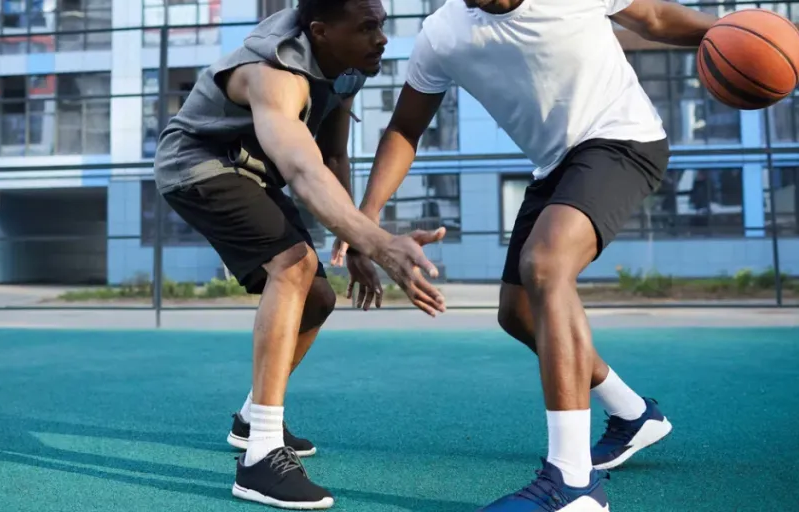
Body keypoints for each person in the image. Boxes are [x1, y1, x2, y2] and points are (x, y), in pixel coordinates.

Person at [332, 0, 717, 509]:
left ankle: (573, 483)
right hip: (554, 165)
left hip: (623, 140)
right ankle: (632, 414)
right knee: (517, 315)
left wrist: (733, 32)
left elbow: (655, 19)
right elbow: (405, 127)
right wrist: (367, 220)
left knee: (546, 264)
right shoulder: (443, 33)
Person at [152, 0, 448, 508]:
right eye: (367, 27)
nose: (381, 38)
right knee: (295, 264)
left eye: (381, 25)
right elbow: (304, 172)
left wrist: (355, 238)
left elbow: (332, 156)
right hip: (199, 165)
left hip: (253, 171)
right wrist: (381, 246)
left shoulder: (345, 69)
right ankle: (259, 459)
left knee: (317, 297)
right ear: (320, 32)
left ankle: (252, 419)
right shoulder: (275, 73)